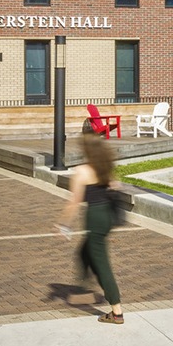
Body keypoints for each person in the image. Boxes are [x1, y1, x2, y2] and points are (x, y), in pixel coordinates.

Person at [58, 131, 127, 324]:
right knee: (84, 253)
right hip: (107, 216)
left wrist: (63, 224)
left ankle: (117, 311)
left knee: (102, 264)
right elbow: (116, 185)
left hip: (95, 217)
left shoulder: (82, 171)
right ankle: (85, 286)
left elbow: (74, 201)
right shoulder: (104, 166)